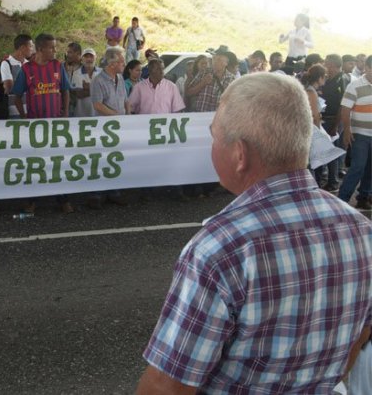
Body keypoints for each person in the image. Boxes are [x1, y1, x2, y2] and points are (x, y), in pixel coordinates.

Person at [137, 72, 372, 394]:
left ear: (239, 155)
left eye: (215, 137)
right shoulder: (361, 230)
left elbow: (167, 386)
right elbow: (359, 335)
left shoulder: (221, 247)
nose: (212, 146)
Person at [12, 33, 73, 214]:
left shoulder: (58, 66)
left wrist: (65, 113)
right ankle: (32, 200)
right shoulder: (26, 70)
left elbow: (65, 90)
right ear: (40, 49)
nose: (55, 50)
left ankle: (63, 199)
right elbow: (16, 96)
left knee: (58, 162)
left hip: (56, 126)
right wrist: (25, 117)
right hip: (36, 127)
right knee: (36, 163)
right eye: (52, 48)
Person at [86, 46, 129, 209]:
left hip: (119, 127)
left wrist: (128, 117)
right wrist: (117, 116)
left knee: (115, 159)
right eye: (121, 61)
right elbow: (98, 105)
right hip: (103, 128)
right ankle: (95, 194)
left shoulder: (120, 78)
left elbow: (125, 100)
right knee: (100, 160)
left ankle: (114, 192)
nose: (124, 63)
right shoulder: (98, 80)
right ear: (112, 64)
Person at [338, 55, 372, 211]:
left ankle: (363, 197)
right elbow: (345, 109)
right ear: (367, 68)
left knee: (370, 168)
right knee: (358, 166)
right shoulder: (355, 86)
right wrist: (347, 131)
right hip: (359, 135)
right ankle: (342, 200)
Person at [317, 54, 347, 192]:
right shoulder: (329, 79)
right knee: (325, 151)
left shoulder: (342, 79)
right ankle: (326, 179)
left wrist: (335, 126)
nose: (325, 66)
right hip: (325, 118)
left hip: (334, 120)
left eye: (327, 64)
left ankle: (333, 182)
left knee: (331, 153)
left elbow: (343, 105)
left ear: (333, 65)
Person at [0, 33, 34, 119]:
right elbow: (9, 87)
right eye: (30, 46)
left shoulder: (29, 64)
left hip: (30, 109)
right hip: (13, 110)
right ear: (22, 48)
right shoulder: (6, 63)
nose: (32, 50)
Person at [71, 48, 101, 117]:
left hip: (98, 114)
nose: (89, 59)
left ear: (95, 58)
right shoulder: (76, 73)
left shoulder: (102, 72)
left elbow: (105, 92)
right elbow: (79, 94)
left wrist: (88, 87)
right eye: (86, 57)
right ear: (82, 59)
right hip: (81, 113)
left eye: (91, 56)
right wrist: (96, 89)